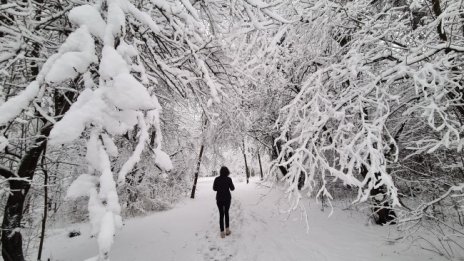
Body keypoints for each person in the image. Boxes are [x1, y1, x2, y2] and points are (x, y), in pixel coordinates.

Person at [213, 166, 235, 238]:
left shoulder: (217, 179)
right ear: (227, 172)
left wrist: (219, 187)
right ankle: (227, 230)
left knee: (221, 215)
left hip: (219, 199)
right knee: (226, 213)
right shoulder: (229, 179)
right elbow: (232, 189)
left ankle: (222, 233)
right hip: (227, 199)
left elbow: (214, 189)